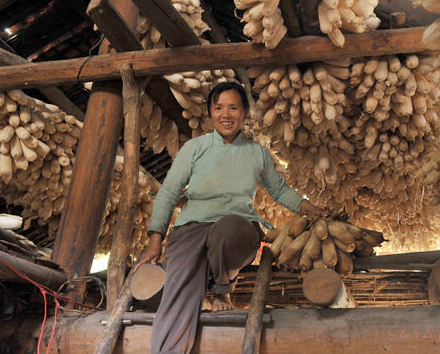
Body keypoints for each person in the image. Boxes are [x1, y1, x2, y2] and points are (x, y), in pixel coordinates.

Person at [135, 81, 323, 354]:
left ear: (244, 113)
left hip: (237, 229)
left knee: (230, 227)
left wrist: (307, 207)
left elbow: (279, 190)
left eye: (233, 108)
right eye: (219, 108)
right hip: (192, 228)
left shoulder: (256, 152)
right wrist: (154, 241)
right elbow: (167, 194)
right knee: (177, 291)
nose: (226, 114)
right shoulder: (194, 148)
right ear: (211, 112)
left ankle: (223, 288)